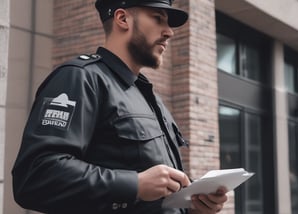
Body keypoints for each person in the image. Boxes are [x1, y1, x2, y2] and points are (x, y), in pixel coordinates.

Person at [12, 0, 228, 213]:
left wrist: (192, 205)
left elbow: (153, 198)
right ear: (122, 19)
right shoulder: (80, 78)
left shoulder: (149, 97)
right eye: (158, 19)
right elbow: (36, 177)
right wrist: (134, 184)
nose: (169, 32)